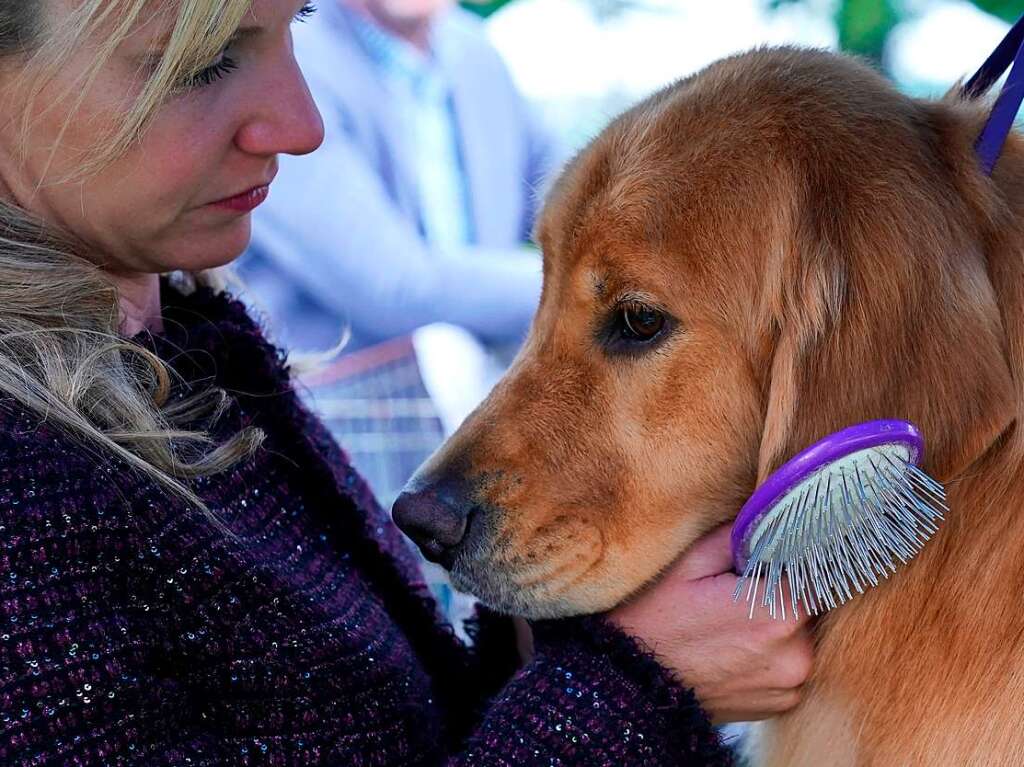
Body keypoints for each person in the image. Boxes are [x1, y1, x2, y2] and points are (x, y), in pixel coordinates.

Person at [0, 1, 812, 765]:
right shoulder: (22, 488)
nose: (303, 126)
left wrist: (556, 622)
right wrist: (629, 691)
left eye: (299, 23)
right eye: (203, 64)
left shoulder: (186, 338)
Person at [237, 0, 553, 353]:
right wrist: (583, 283)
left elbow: (568, 192)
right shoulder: (288, 50)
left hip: (477, 384)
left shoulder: (473, 51)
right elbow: (390, 287)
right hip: (333, 396)